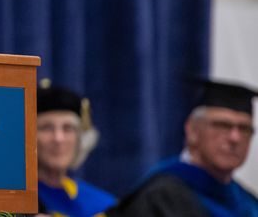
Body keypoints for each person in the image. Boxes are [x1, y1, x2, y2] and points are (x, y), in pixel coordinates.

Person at [107, 79, 258, 217]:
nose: (235, 138)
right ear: (192, 131)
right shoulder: (158, 198)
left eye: (244, 129)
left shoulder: (250, 204)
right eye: (222, 125)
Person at [36, 79, 116, 217]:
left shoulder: (103, 205)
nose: (58, 138)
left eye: (68, 128)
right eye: (46, 128)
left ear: (81, 138)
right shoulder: (14, 201)